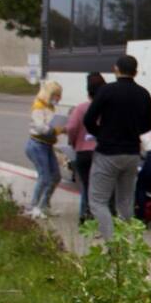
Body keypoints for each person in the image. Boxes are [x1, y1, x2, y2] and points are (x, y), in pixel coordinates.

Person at [84, 55, 151, 239]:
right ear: (136, 72)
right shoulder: (144, 94)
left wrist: (101, 133)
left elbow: (88, 119)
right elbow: (147, 125)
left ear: (116, 69)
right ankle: (127, 241)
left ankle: (112, 244)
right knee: (125, 202)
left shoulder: (106, 91)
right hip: (132, 154)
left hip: (107, 152)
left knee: (98, 201)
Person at [65, 72, 107, 224]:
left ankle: (84, 215)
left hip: (83, 152)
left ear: (88, 91)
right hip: (103, 152)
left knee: (86, 185)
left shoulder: (81, 108)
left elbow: (71, 127)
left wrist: (73, 142)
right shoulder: (108, 109)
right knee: (101, 187)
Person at [25, 80, 65, 219]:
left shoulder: (50, 107)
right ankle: (34, 206)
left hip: (47, 145)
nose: (59, 98)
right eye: (56, 95)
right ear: (49, 94)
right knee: (44, 177)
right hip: (37, 144)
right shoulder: (38, 106)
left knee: (56, 176)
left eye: (59, 95)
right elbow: (41, 127)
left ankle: (44, 205)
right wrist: (57, 130)